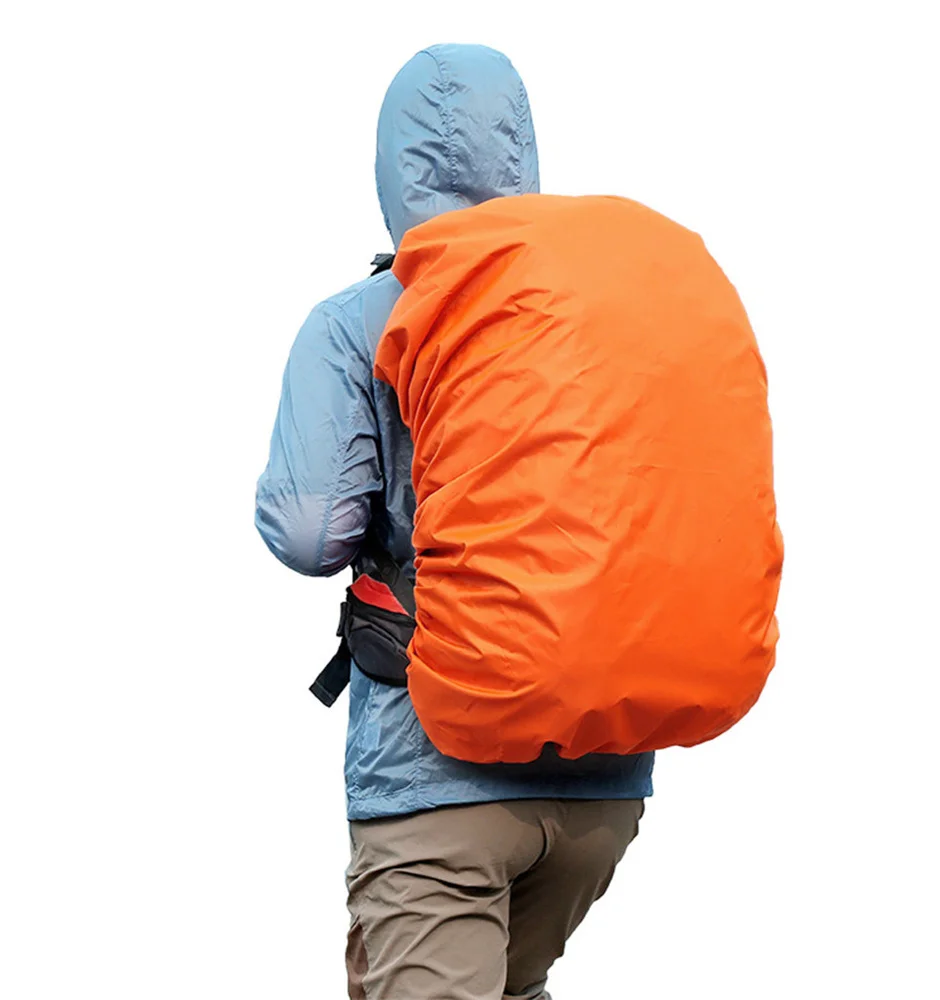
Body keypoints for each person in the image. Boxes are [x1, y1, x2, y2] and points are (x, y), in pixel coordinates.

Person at [256, 44, 654, 1000]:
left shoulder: (359, 322)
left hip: (435, 771)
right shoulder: (601, 308)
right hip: (605, 779)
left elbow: (309, 534)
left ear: (392, 168)